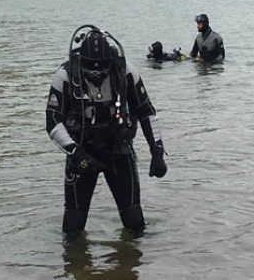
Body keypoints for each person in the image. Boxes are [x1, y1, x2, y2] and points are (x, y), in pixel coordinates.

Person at [45, 25, 167, 237]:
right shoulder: (65, 75)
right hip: (82, 154)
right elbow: (53, 120)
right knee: (73, 226)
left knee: (134, 222)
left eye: (101, 70)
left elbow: (146, 111)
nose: (96, 76)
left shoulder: (126, 72)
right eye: (91, 72)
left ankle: (132, 265)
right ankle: (76, 266)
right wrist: (76, 152)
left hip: (118, 150)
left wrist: (157, 152)